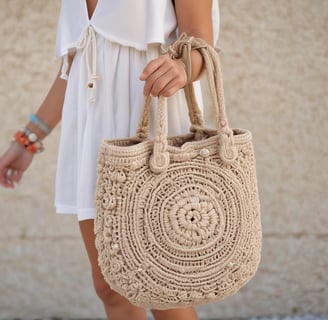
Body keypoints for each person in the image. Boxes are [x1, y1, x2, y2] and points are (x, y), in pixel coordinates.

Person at [0, 0, 219, 319]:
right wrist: (29, 139)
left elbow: (201, 42)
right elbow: (78, 65)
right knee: (110, 285)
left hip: (155, 129)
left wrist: (182, 67)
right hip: (93, 138)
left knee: (160, 285)